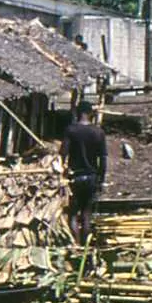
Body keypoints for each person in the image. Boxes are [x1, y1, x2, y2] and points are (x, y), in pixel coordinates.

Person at [62, 101, 108, 243]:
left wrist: (63, 172)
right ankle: (86, 249)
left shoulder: (71, 130)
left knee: (73, 214)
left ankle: (76, 246)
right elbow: (103, 159)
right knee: (87, 214)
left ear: (79, 112)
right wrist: (101, 179)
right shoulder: (98, 132)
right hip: (91, 177)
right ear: (89, 113)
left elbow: (63, 153)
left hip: (75, 177)